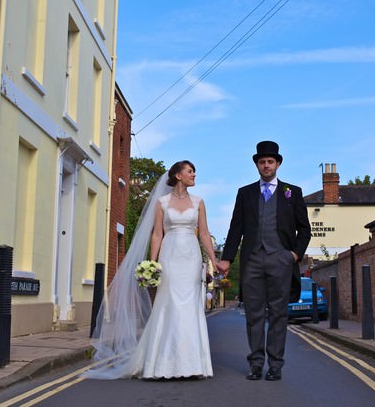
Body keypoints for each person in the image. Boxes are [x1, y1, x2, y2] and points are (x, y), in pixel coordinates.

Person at [86, 160, 218, 379]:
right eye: (190, 171)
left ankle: (192, 364)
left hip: (191, 258)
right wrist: (153, 264)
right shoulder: (162, 202)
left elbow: (204, 233)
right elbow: (157, 234)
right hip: (170, 255)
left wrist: (214, 259)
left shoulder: (199, 202)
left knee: (189, 306)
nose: (194, 175)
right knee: (169, 303)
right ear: (178, 175)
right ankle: (163, 362)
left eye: (194, 171)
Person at [218, 141, 311, 381]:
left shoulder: (292, 192)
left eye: (270, 161)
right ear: (257, 165)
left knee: (279, 314)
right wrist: (227, 258)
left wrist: (294, 255)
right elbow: (235, 228)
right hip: (252, 261)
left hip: (281, 259)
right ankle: (256, 363)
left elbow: (305, 230)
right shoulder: (245, 193)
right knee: (254, 314)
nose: (266, 165)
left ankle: (276, 365)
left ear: (278, 164)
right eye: (262, 162)